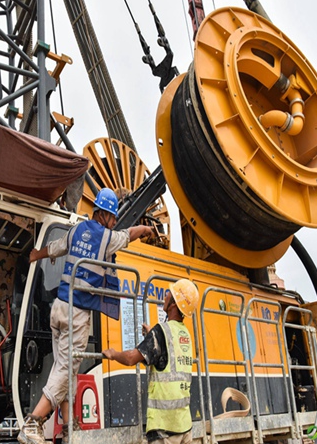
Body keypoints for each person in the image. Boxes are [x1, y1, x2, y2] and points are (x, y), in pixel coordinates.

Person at [18, 187, 155, 444]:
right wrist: (146, 230)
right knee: (66, 369)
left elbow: (55, 248)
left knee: (66, 368)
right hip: (76, 313)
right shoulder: (106, 238)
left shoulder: (76, 231)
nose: (114, 222)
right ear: (104, 215)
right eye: (113, 218)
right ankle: (33, 422)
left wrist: (36, 255)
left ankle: (70, 428)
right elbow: (130, 234)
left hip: (58, 308)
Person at [103, 279, 199, 444]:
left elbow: (131, 358)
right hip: (184, 425)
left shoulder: (161, 332)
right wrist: (152, 336)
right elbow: (168, 355)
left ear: (174, 304)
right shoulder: (185, 334)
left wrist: (114, 354)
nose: (166, 295)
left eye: (170, 293)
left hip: (165, 429)